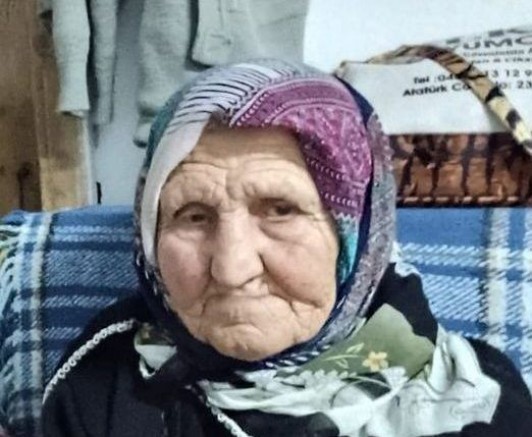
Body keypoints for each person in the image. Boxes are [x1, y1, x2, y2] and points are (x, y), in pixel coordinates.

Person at [42, 59, 531, 437]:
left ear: (361, 235)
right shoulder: (104, 384)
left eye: (280, 210)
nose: (232, 268)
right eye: (193, 216)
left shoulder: (478, 402)